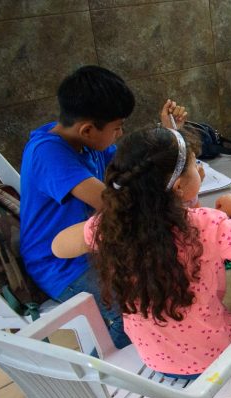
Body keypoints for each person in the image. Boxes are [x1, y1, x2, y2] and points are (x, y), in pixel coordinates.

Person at [51, 126, 231, 378]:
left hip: (153, 356)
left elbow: (58, 246)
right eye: (195, 164)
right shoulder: (206, 225)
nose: (200, 169)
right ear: (177, 187)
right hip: (214, 358)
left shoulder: (113, 227)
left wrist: (106, 220)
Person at [20, 65, 186, 349]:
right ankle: (109, 372)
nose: (121, 133)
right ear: (87, 129)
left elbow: (130, 166)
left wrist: (168, 136)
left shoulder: (88, 143)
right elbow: (114, 202)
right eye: (117, 127)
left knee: (165, 280)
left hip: (97, 247)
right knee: (132, 311)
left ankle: (167, 349)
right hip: (63, 265)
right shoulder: (48, 153)